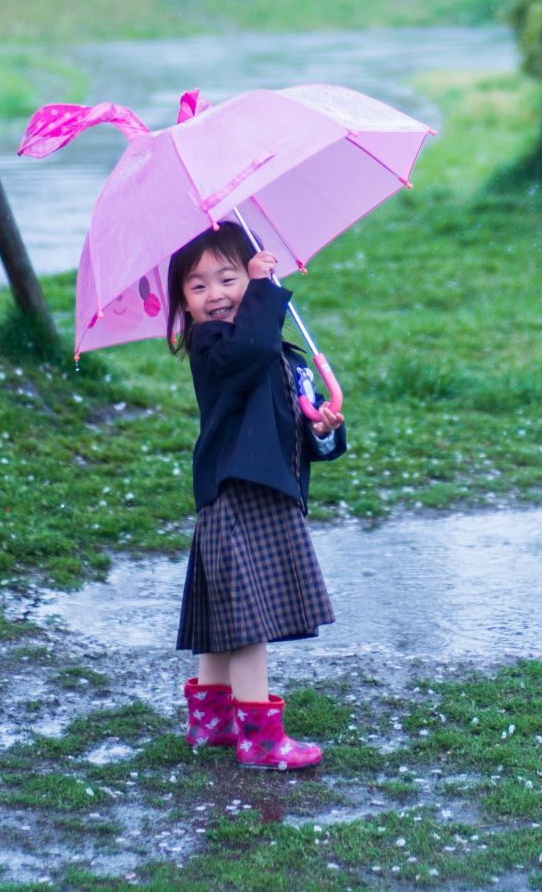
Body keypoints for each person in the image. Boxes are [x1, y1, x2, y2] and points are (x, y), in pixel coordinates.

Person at [168, 221, 347, 770]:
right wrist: (264, 291)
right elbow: (248, 347)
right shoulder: (213, 345)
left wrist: (322, 428)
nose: (215, 294)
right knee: (249, 625)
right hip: (237, 491)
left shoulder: (278, 351)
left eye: (229, 279)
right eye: (198, 286)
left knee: (227, 614)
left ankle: (212, 721)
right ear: (183, 303)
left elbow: (301, 417)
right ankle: (261, 740)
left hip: (266, 488)